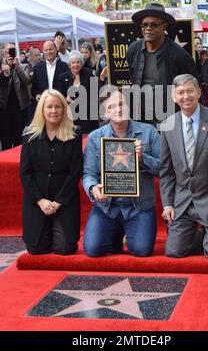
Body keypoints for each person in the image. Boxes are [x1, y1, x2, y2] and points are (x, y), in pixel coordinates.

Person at [160, 74, 208, 261]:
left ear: (198, 92)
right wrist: (168, 203)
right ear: (174, 97)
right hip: (184, 201)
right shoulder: (167, 125)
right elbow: (166, 171)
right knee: (174, 251)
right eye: (180, 92)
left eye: (190, 91)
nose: (186, 96)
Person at [83, 88, 160, 257]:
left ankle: (125, 233)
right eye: (111, 107)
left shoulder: (149, 132)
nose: (118, 110)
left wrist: (142, 159)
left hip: (138, 206)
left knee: (142, 250)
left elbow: (164, 168)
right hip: (107, 207)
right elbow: (88, 174)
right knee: (92, 250)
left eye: (121, 104)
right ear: (105, 112)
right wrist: (93, 188)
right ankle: (116, 234)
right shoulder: (95, 138)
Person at [20, 89, 83, 255]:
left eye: (58, 107)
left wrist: (58, 202)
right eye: (49, 107)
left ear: (63, 109)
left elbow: (75, 172)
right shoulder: (29, 135)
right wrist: (40, 200)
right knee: (36, 249)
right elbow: (25, 173)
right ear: (42, 110)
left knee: (65, 249)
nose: (54, 111)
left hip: (64, 200)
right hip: (38, 200)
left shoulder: (74, 133)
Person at [127, 2, 196, 125]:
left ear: (164, 27)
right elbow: (133, 79)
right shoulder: (133, 49)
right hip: (140, 118)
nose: (148, 28)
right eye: (144, 25)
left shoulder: (179, 55)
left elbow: (193, 88)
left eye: (153, 25)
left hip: (169, 119)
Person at [58, 50, 99, 134]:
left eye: (78, 62)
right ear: (69, 64)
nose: (75, 65)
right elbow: (59, 95)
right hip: (71, 117)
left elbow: (95, 94)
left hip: (88, 116)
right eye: (73, 63)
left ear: (81, 63)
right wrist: (66, 99)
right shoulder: (62, 77)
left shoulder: (89, 73)